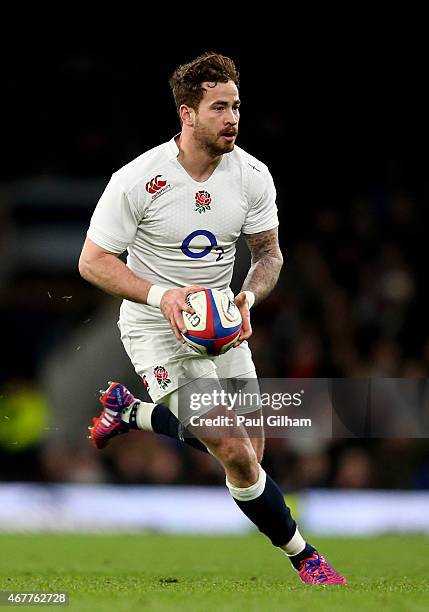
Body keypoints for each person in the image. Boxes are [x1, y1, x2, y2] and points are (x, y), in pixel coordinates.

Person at [78, 52, 346, 586]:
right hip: (156, 326)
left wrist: (247, 298)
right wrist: (162, 297)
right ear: (187, 114)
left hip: (222, 324)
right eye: (219, 107)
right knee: (235, 452)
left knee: (251, 452)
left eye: (237, 106)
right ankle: (305, 556)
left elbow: (269, 254)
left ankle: (131, 414)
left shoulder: (252, 176)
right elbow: (93, 262)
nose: (233, 118)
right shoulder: (137, 179)